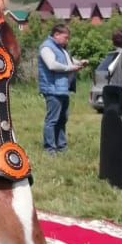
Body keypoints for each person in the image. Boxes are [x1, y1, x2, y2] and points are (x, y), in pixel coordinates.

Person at [37, 22, 88, 154]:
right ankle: (50, 148)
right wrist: (70, 68)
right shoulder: (46, 48)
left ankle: (61, 146)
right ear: (56, 34)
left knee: (62, 119)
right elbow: (52, 65)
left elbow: (67, 61)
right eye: (65, 37)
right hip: (52, 89)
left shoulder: (61, 49)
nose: (67, 40)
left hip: (62, 89)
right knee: (52, 120)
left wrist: (78, 63)